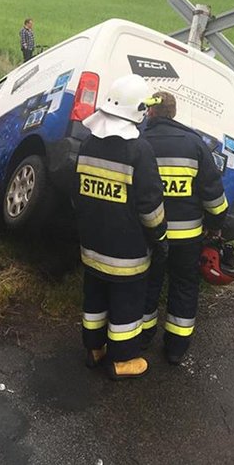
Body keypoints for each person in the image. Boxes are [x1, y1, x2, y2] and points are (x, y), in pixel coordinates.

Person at [72, 74, 168, 380]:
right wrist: (160, 237)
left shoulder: (88, 143)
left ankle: (94, 350)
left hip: (92, 247)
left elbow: (78, 195)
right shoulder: (139, 151)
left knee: (94, 299)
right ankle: (123, 360)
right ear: (138, 110)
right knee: (127, 307)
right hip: (127, 255)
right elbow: (150, 207)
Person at [139, 91, 228, 364]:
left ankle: (142, 337)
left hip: (150, 234)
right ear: (174, 113)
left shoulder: (139, 141)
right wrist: (214, 227)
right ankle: (176, 347)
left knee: (147, 284)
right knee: (184, 287)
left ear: (151, 112)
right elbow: (214, 197)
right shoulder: (195, 144)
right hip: (188, 238)